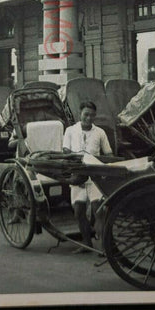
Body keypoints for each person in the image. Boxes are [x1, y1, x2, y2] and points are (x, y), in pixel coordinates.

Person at [63, 100, 112, 252]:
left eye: (92, 115)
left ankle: (105, 247)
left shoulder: (100, 132)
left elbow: (109, 153)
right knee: (78, 211)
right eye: (86, 114)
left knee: (99, 210)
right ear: (80, 114)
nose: (89, 118)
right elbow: (65, 151)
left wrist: (103, 163)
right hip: (77, 175)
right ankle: (87, 243)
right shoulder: (70, 131)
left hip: (95, 177)